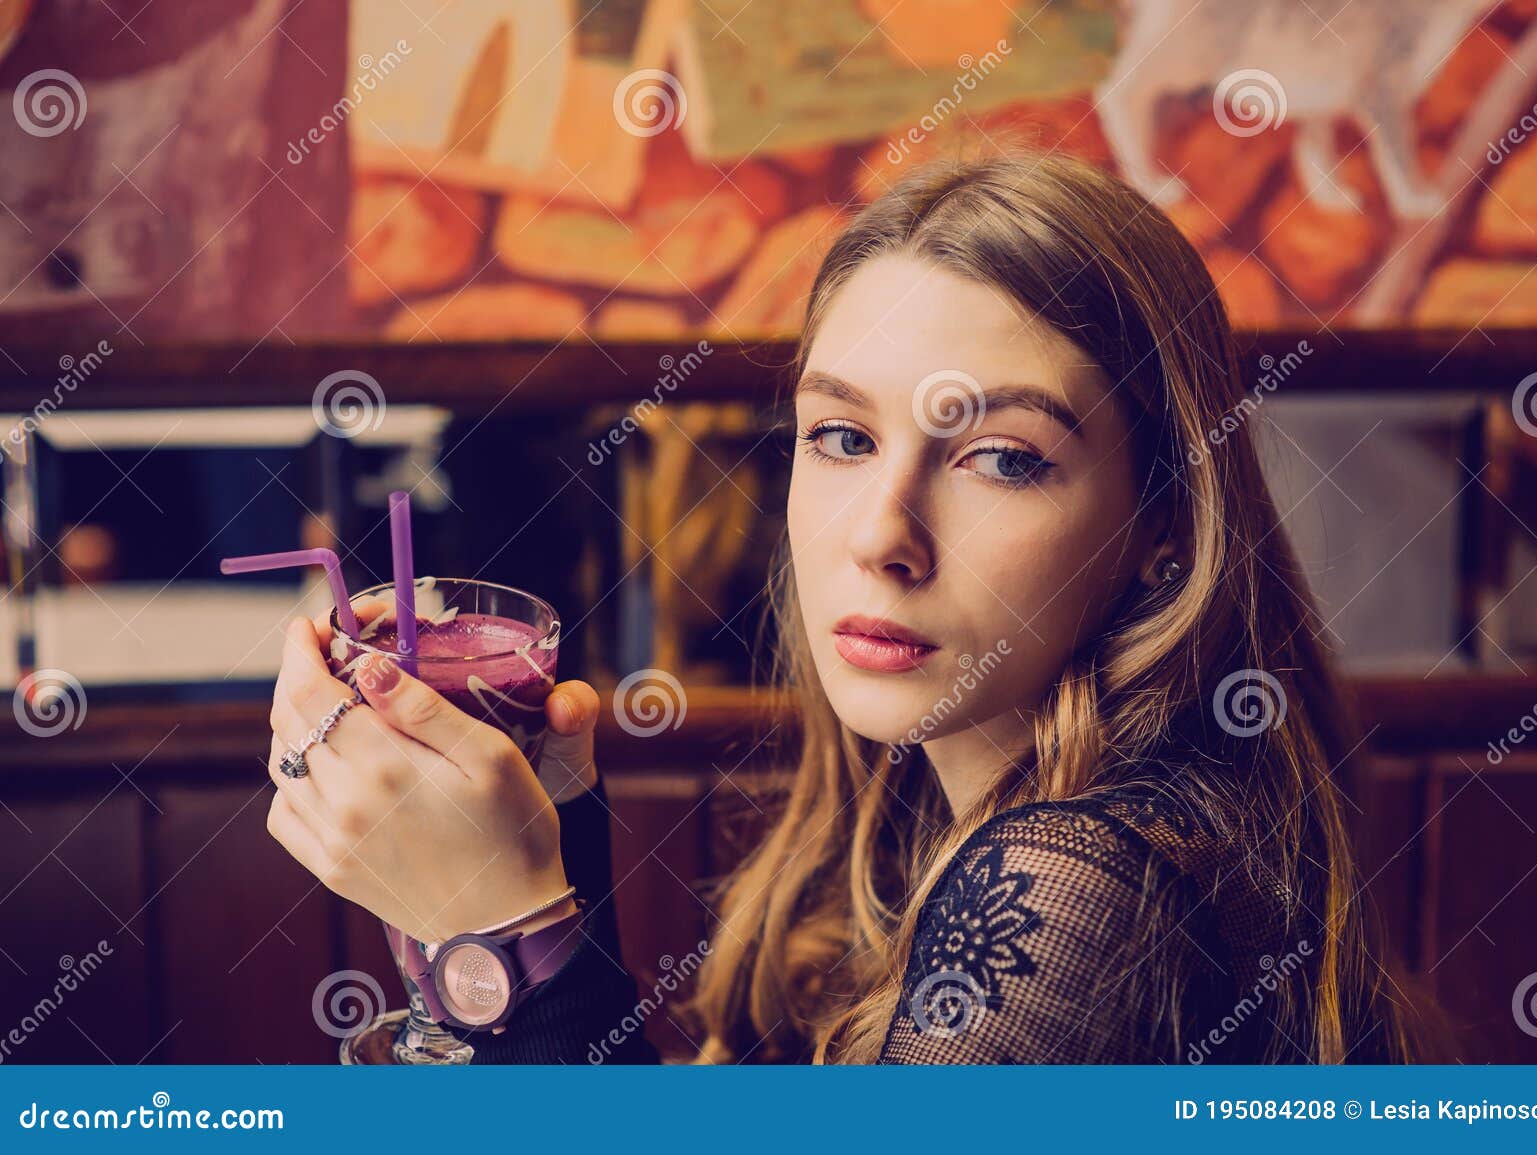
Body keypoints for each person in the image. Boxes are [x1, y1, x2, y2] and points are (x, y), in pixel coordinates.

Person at [265, 152, 1438, 1064]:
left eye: (1003, 458)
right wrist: (541, 870)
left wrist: (502, 938)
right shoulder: (924, 821)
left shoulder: (1086, 886)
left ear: (1163, 526)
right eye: (841, 437)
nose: (879, 534)